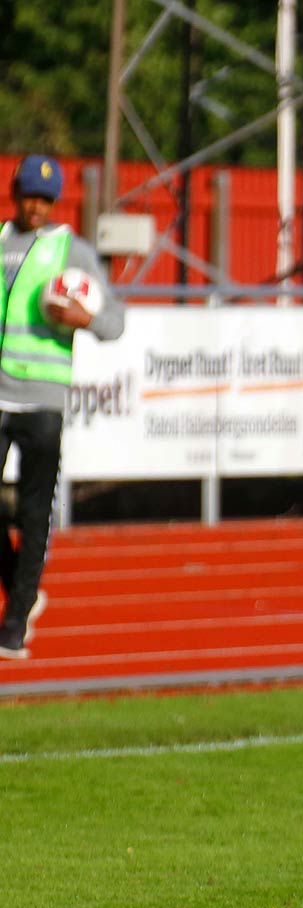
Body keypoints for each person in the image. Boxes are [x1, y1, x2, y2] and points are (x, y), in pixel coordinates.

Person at [1, 155, 125, 659]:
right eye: (31, 196)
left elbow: (115, 322)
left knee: (34, 513)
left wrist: (85, 317)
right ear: (15, 194)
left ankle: (14, 625)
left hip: (44, 402)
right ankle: (23, 590)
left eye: (47, 199)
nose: (38, 206)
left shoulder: (71, 251)